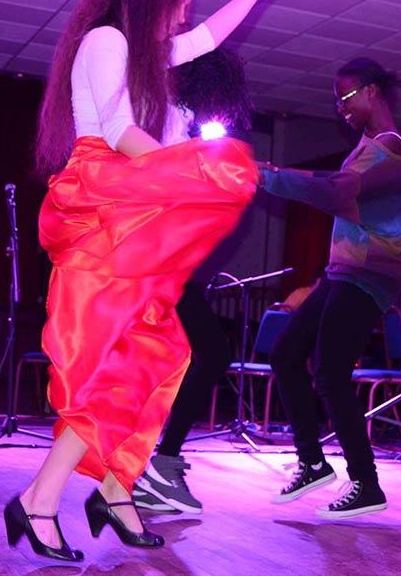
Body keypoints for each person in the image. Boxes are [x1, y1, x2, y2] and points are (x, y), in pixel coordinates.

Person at [4, 0, 286, 562]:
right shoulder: (107, 41)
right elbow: (118, 133)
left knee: (156, 353)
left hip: (125, 202)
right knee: (113, 364)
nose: (184, 16)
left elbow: (207, 38)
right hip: (104, 202)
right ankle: (41, 500)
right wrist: (188, 173)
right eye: (179, 3)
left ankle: (113, 488)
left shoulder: (141, 51)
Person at [258, 58, 401, 519]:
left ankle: (366, 484)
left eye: (345, 97)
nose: (340, 108)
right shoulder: (367, 146)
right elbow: (337, 189)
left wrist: (271, 176)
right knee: (286, 353)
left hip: (370, 274)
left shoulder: (393, 150)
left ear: (372, 92)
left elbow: (338, 192)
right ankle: (312, 462)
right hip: (343, 272)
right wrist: (273, 173)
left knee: (329, 372)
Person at [132, 47, 255, 516]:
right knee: (201, 355)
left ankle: (154, 466)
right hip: (158, 259)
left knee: (183, 358)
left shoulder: (180, 119)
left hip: (168, 260)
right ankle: (154, 466)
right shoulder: (169, 118)